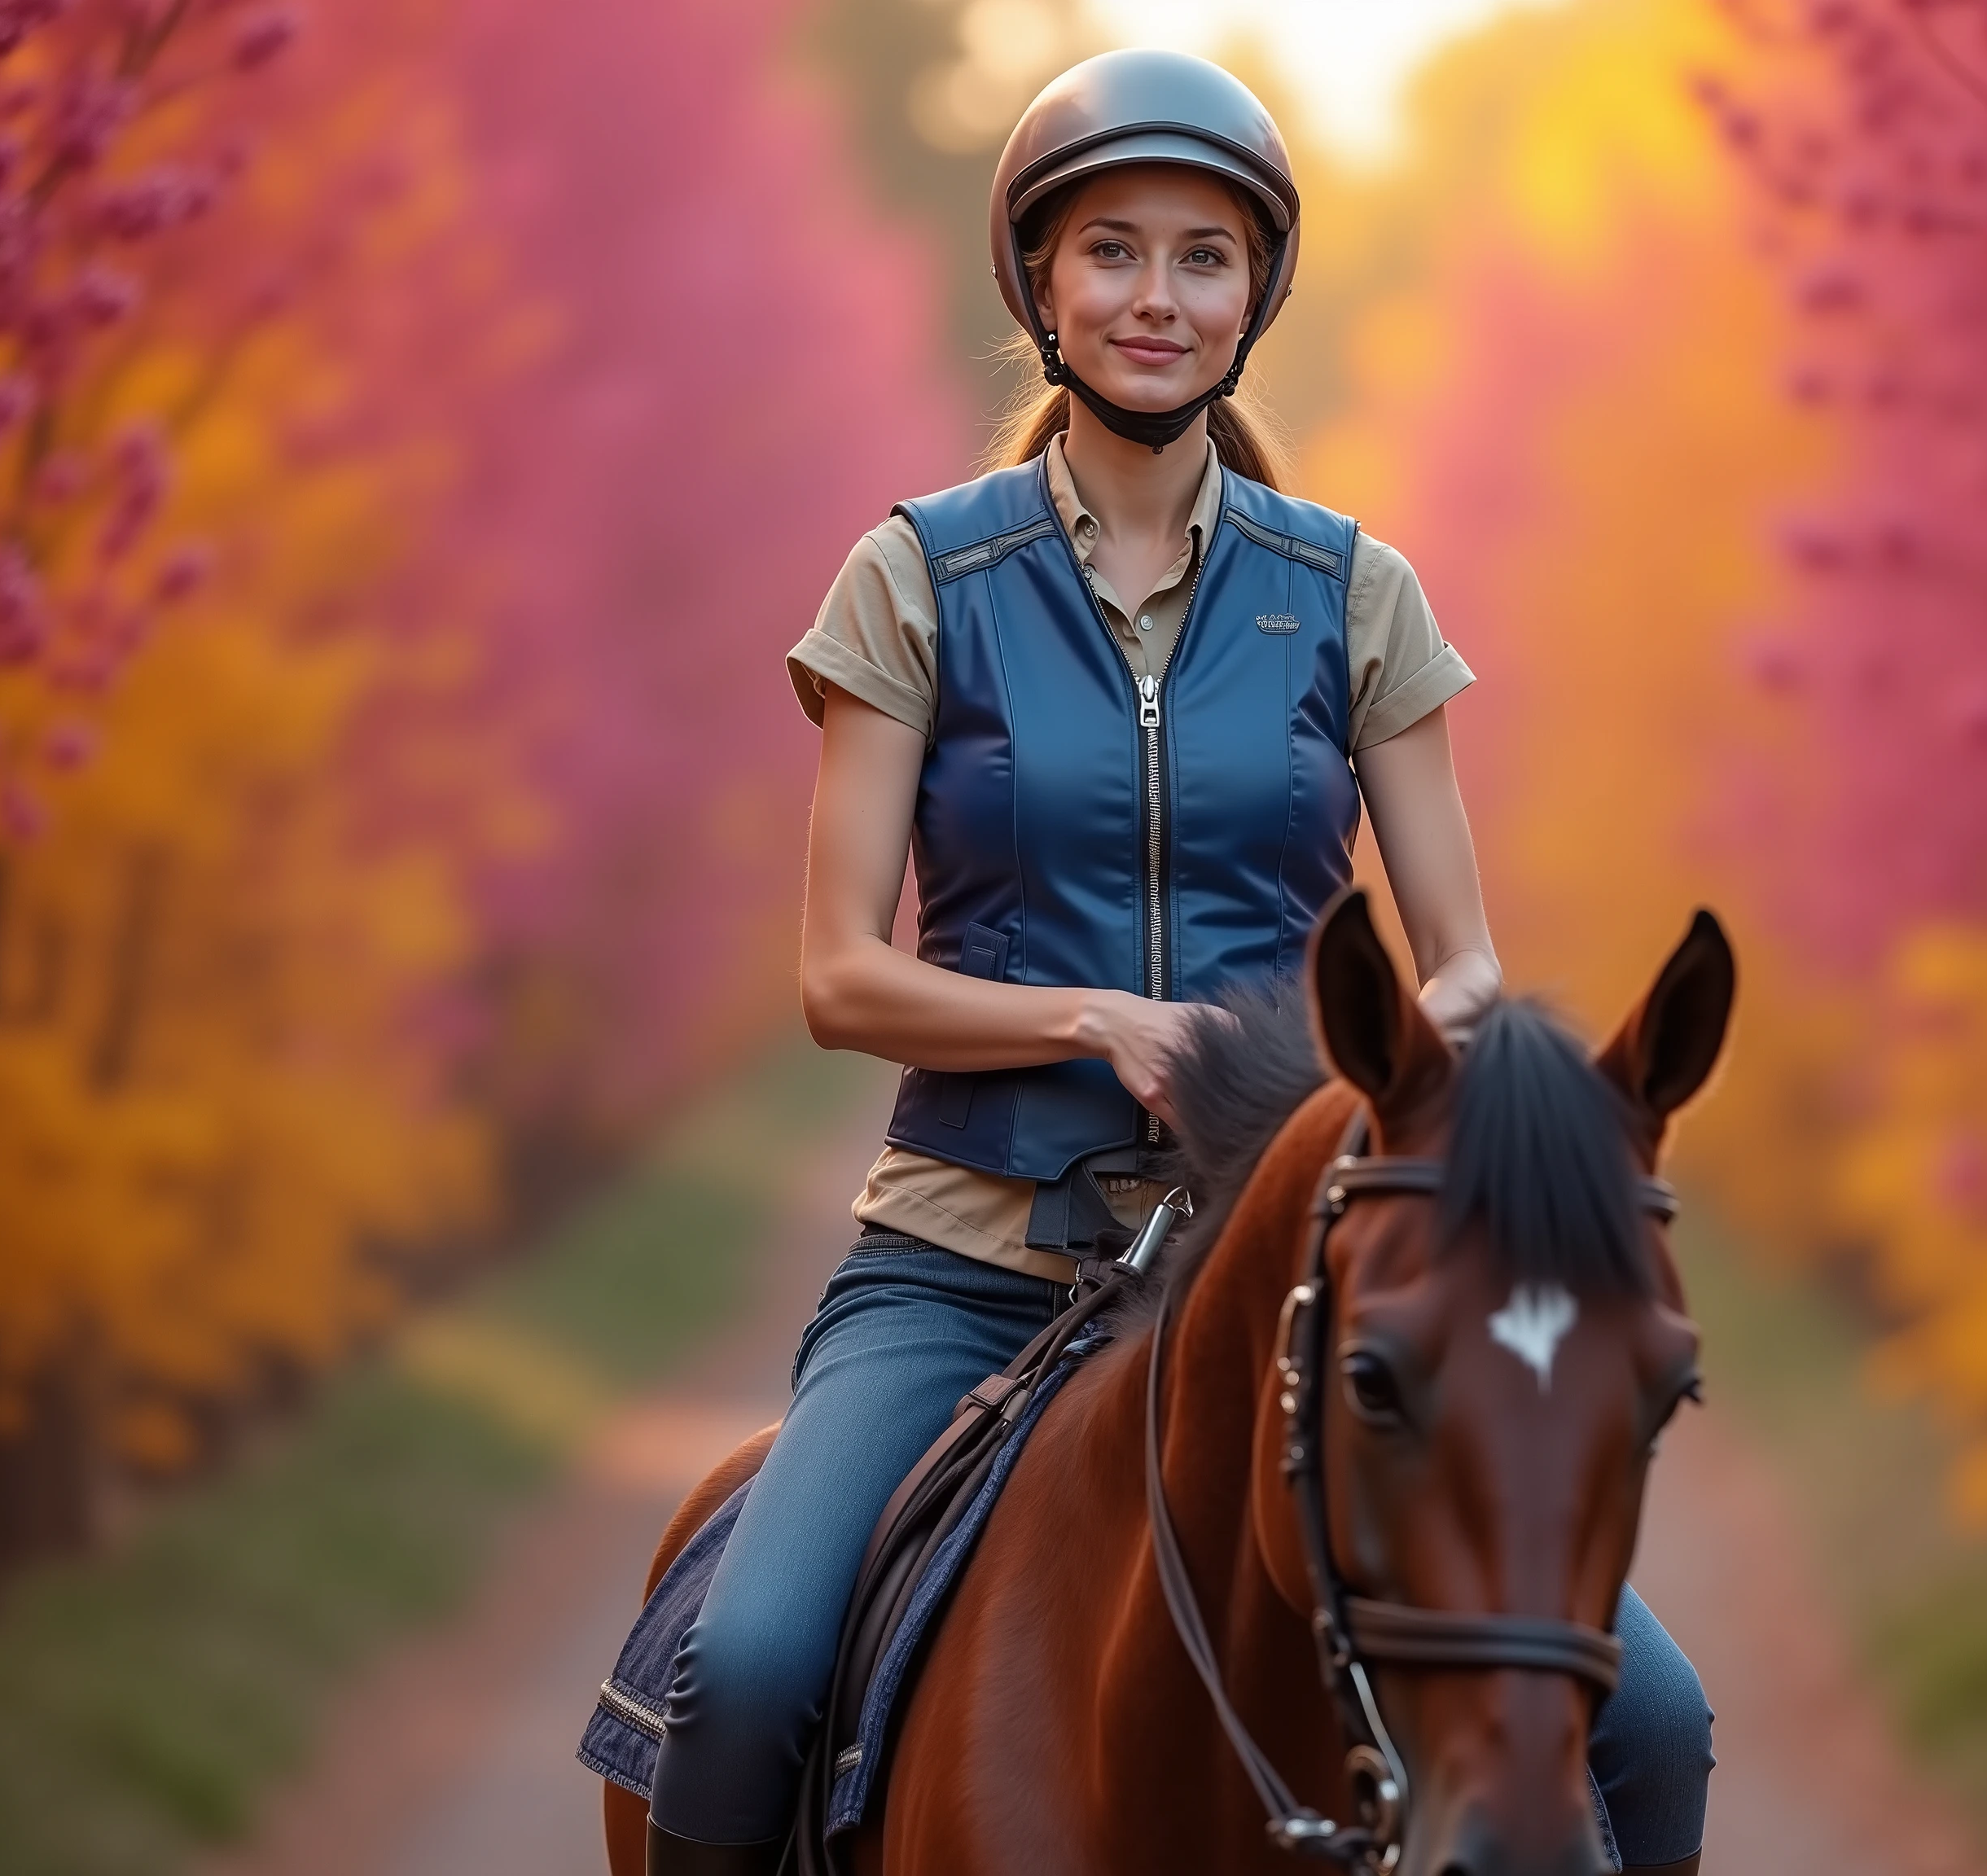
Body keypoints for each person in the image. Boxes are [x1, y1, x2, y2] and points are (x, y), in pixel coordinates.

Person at [644, 49, 1712, 1875]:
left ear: (1253, 296)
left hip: (1275, 1282)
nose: (1158, 296)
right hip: (968, 1259)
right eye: (1114, 252)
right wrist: (1099, 1019)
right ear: (1042, 290)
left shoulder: (1356, 594)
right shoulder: (916, 581)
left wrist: (1408, 1087)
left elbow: (1461, 971)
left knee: (1662, 1727)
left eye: (1204, 257)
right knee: (741, 1670)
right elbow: (838, 975)